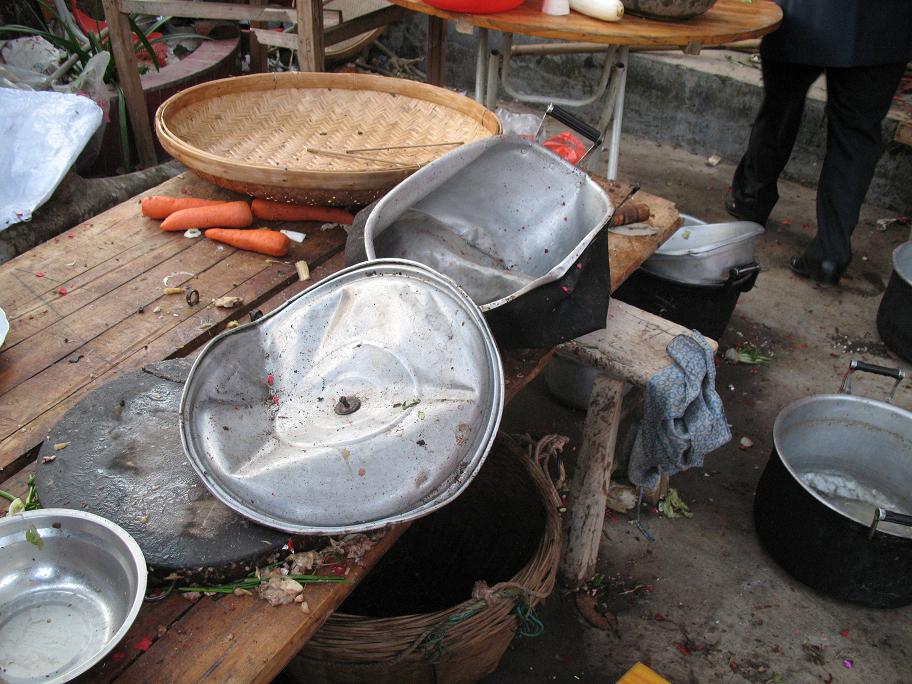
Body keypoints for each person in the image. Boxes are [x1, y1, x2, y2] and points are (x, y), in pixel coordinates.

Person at [727, 1, 912, 285]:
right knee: (855, 136)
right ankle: (829, 255)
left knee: (780, 107)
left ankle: (751, 198)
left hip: (808, 13)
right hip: (882, 25)